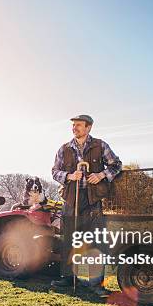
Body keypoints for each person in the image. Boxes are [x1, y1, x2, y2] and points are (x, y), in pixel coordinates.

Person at [50, 115, 122, 288]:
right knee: (69, 240)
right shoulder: (64, 148)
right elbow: (54, 171)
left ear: (88, 127)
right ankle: (67, 278)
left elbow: (116, 165)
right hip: (70, 199)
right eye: (73, 125)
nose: (75, 128)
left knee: (95, 240)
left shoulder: (100, 145)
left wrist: (101, 175)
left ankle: (96, 282)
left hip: (93, 199)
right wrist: (68, 176)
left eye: (79, 125)